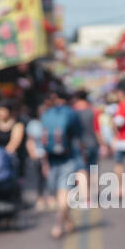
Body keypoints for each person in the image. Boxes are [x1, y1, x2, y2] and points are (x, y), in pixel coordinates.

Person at [38, 85, 84, 239]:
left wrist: (44, 163)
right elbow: (78, 137)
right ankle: (62, 223)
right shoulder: (71, 114)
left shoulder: (46, 114)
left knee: (59, 195)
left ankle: (63, 223)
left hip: (51, 160)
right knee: (63, 194)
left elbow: (42, 140)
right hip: (68, 158)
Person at [23, 103, 50, 212]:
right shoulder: (33, 124)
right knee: (38, 178)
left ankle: (51, 198)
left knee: (49, 177)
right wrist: (32, 152)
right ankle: (40, 198)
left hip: (50, 154)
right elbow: (30, 139)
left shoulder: (51, 123)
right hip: (38, 154)